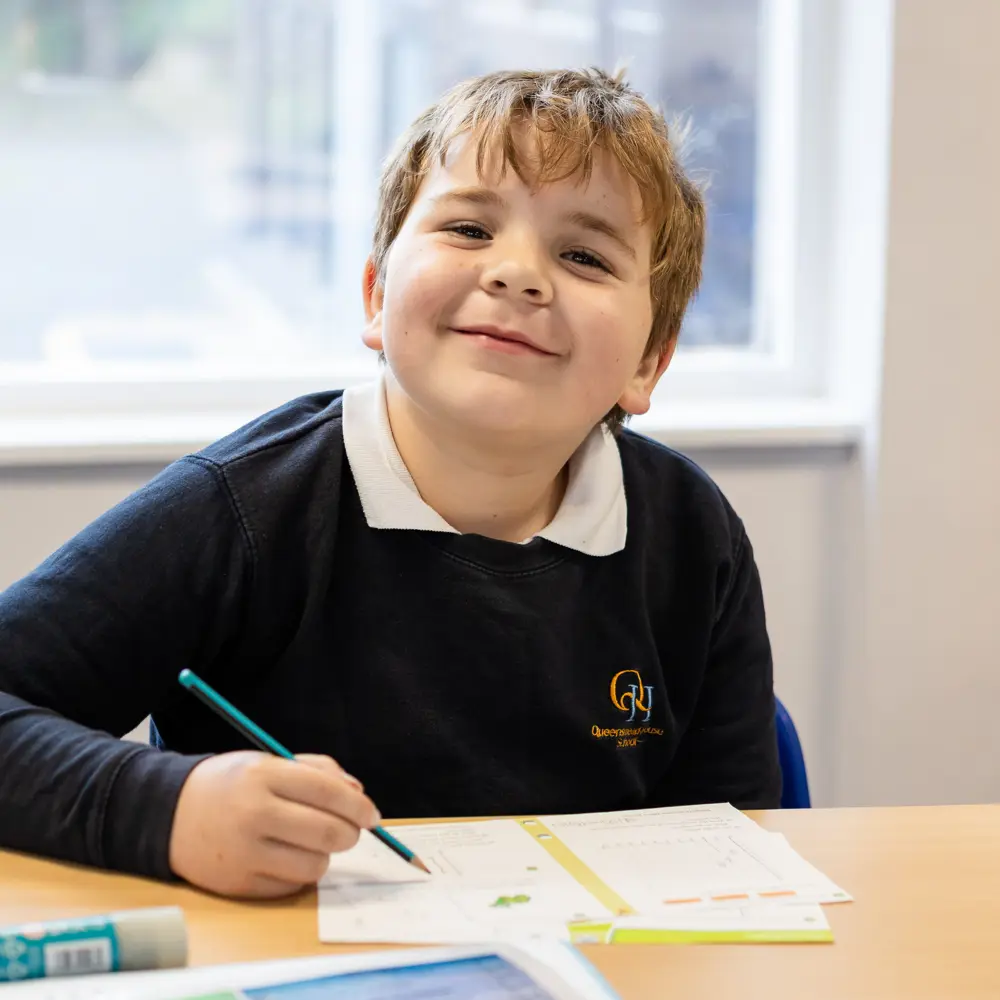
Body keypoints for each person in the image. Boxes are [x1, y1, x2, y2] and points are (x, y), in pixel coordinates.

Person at [0, 68, 780, 899]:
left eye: (584, 255)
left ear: (649, 362)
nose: (518, 274)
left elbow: (734, 847)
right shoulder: (243, 509)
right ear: (376, 297)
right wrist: (171, 810)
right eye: (471, 229)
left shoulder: (696, 536)